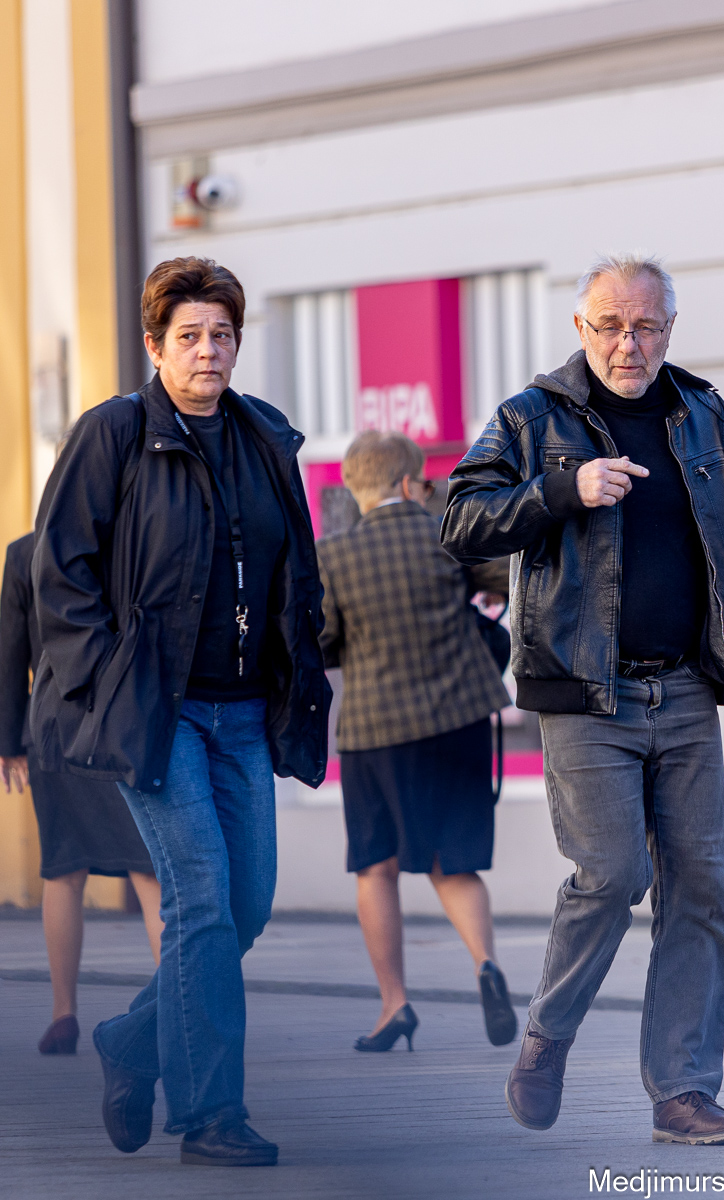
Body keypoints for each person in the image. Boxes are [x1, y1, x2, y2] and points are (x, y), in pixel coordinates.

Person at [442, 254, 724, 1145]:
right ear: (581, 328)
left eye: (647, 325)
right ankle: (546, 1038)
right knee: (614, 874)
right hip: (586, 692)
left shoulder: (707, 415)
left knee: (702, 890)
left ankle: (683, 1091)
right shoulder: (532, 416)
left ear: (670, 328)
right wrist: (562, 489)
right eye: (611, 325)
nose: (630, 343)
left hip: (687, 687)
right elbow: (461, 519)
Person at [31, 256, 331, 1168]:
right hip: (159, 714)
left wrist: (300, 665)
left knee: (245, 907)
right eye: (190, 336)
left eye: (222, 334)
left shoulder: (265, 436)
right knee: (200, 899)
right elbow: (60, 571)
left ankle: (131, 1040)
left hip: (244, 712)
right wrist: (105, 679)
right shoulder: (115, 433)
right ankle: (210, 1113)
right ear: (155, 346)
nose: (209, 351)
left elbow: (295, 570)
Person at [316, 431, 517, 1052]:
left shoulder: (334, 555)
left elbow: (321, 643)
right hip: (459, 721)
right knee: (452, 863)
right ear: (408, 482)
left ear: (356, 489)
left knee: (375, 868)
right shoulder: (448, 535)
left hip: (376, 733)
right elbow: (510, 581)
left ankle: (394, 1004)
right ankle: (486, 963)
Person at [0, 533, 161, 1055]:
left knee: (62, 872)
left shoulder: (25, 553)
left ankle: (62, 1013)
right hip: (125, 730)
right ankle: (175, 1013)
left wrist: (9, 742)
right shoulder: (130, 539)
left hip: (52, 731)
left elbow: (9, 655)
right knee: (149, 871)